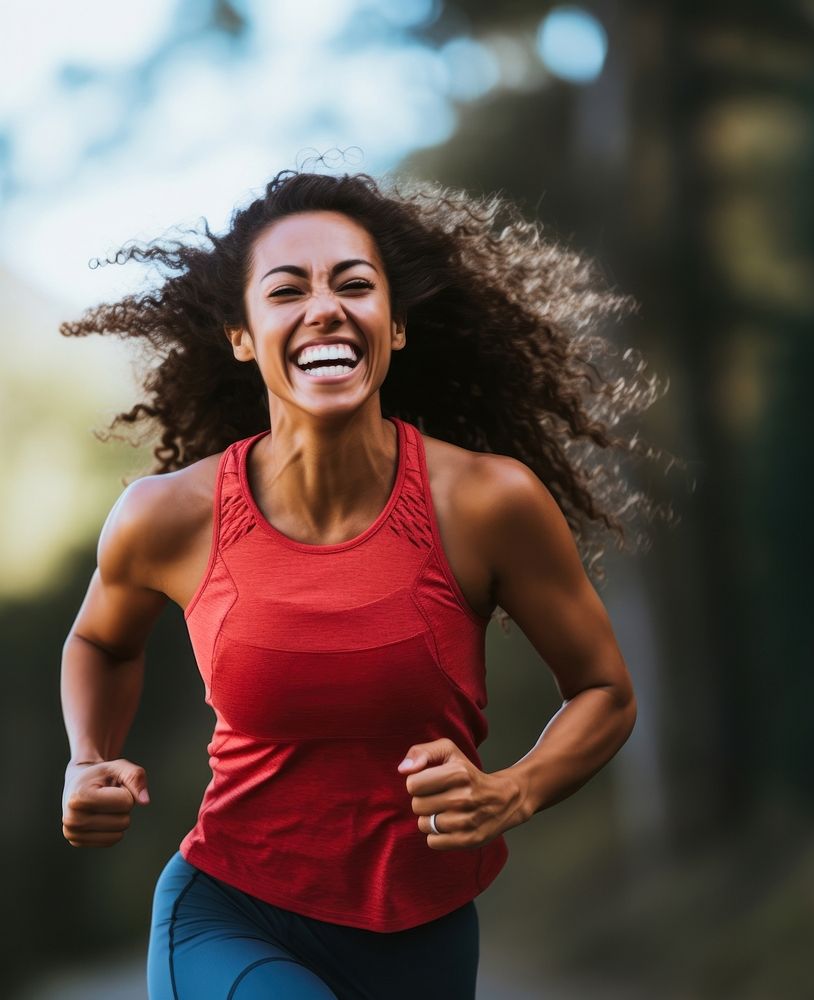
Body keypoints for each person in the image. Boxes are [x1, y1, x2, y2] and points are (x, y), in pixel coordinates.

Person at [58, 166, 666, 999]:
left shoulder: (487, 503)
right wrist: (86, 757)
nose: (325, 308)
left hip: (428, 934)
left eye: (354, 284)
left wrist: (512, 792)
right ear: (241, 335)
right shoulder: (168, 516)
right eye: (287, 290)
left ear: (396, 324)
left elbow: (605, 690)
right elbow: (99, 638)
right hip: (234, 911)